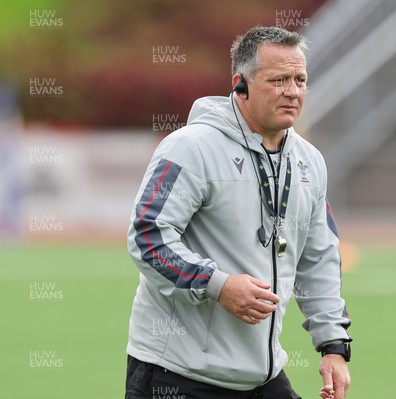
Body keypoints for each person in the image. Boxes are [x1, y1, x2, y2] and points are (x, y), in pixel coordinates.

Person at [125, 26, 352, 399]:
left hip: (262, 378)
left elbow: (318, 258)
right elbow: (147, 238)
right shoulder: (189, 148)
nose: (293, 91)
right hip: (179, 374)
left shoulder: (310, 161)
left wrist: (332, 345)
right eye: (278, 79)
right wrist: (218, 285)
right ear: (240, 84)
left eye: (300, 79)